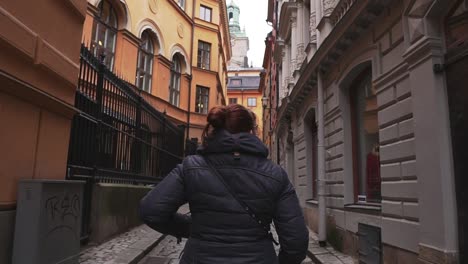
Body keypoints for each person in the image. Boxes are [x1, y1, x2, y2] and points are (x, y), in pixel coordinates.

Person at [139, 104, 309, 264]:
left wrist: (192, 228)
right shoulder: (275, 174)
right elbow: (296, 242)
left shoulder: (191, 167)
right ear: (251, 131)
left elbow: (151, 210)